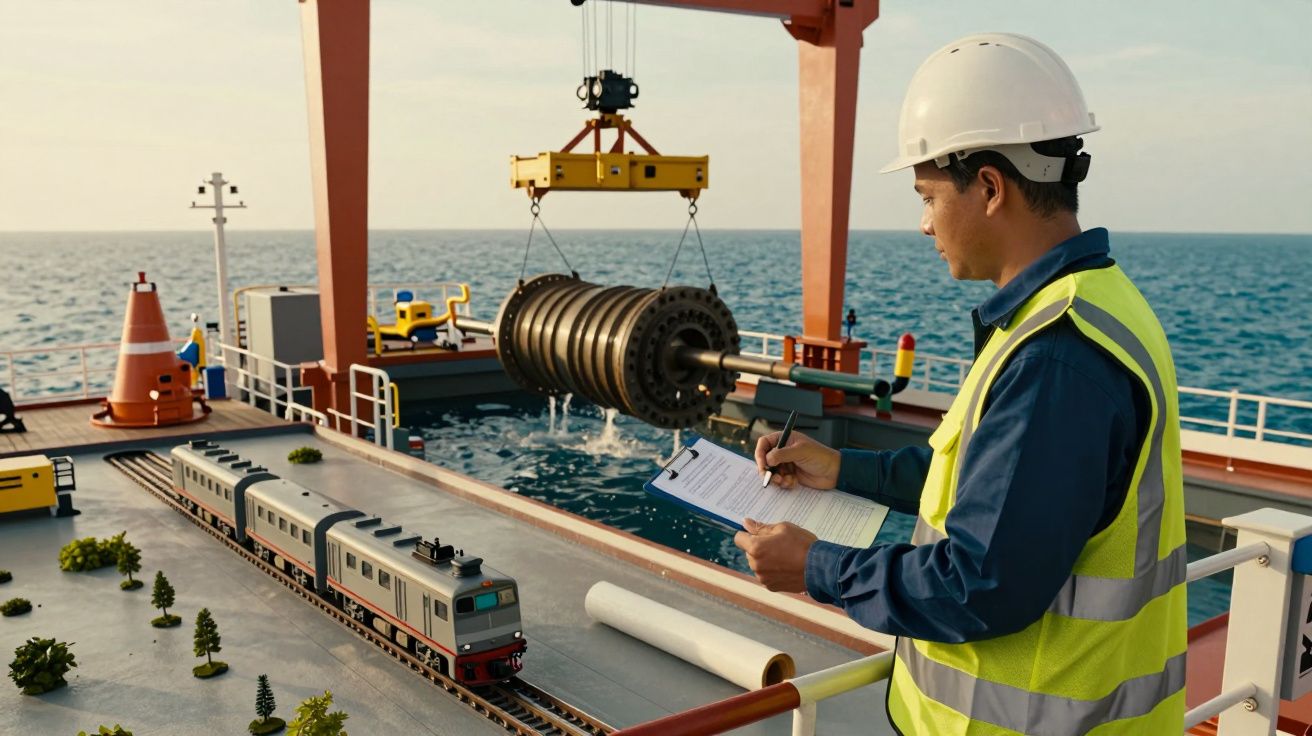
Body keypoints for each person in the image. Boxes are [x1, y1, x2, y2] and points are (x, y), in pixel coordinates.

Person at [733, 33, 1186, 735]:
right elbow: (996, 487)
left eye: (927, 196)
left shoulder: (1054, 357)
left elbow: (982, 582)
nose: (922, 225)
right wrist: (844, 468)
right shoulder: (1092, 304)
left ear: (990, 187)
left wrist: (816, 567)